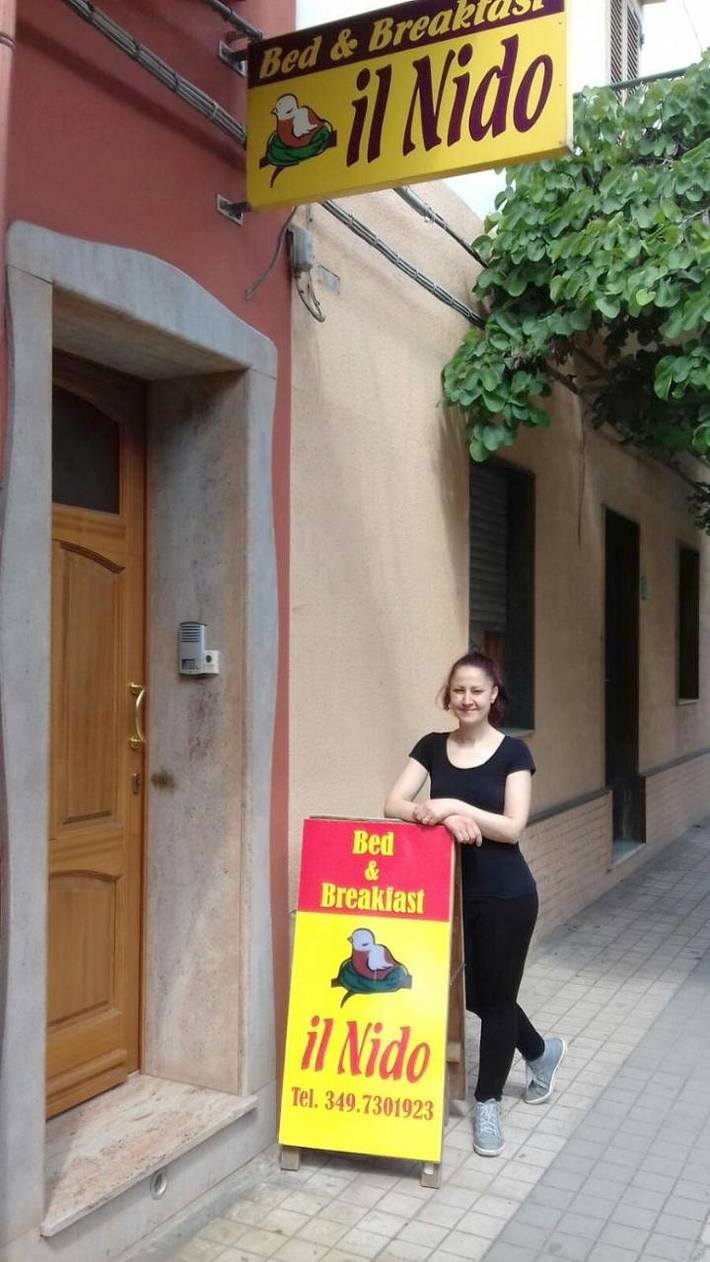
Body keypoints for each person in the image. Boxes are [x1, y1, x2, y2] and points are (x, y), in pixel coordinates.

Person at [384, 651, 565, 1157]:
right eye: (459, 690)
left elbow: (511, 827)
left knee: (496, 1002)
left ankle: (488, 1102)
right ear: (450, 694)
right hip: (447, 891)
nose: (467, 699)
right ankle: (540, 1052)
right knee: (475, 996)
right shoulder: (431, 747)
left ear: (493, 697)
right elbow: (393, 803)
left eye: (477, 691)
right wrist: (437, 820)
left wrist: (452, 805)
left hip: (505, 894)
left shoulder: (513, 755)